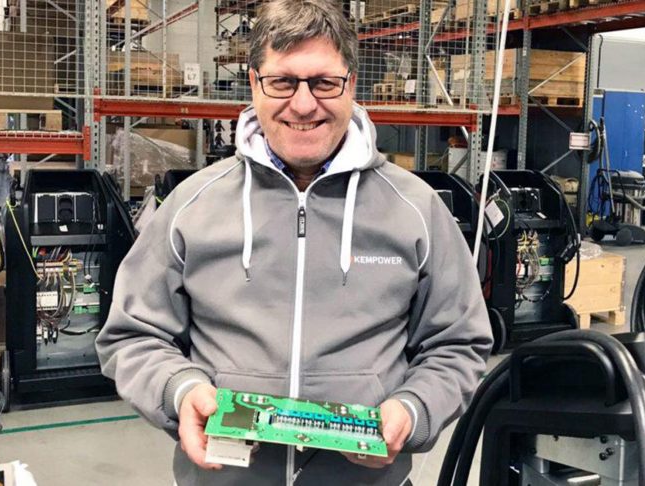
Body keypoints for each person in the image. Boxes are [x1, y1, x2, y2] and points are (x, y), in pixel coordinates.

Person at [96, 1, 492, 484]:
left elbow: (458, 344)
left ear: (351, 83)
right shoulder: (191, 206)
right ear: (254, 83)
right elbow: (133, 336)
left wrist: (412, 409)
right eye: (282, 82)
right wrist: (179, 391)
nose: (303, 105)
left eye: (324, 82)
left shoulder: (417, 209)